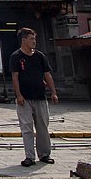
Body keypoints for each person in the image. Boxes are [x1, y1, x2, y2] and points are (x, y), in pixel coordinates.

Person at [9, 27, 58, 167]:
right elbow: (15, 77)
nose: (34, 41)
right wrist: (18, 95)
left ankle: (44, 154)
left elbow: (47, 74)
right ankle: (29, 156)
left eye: (34, 38)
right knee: (27, 128)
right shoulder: (16, 57)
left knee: (43, 126)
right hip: (24, 98)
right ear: (23, 40)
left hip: (40, 97)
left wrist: (53, 92)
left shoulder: (39, 56)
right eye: (31, 39)